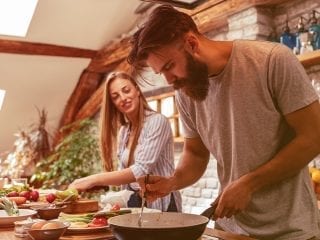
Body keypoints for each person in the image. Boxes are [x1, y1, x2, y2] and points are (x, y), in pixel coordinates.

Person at [127, 4, 320, 240]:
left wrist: (250, 184)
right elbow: (196, 155)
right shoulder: (185, 92)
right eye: (161, 73)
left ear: (192, 43)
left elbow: (313, 137)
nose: (169, 79)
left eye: (169, 66)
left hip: (289, 232)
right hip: (229, 230)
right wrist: (171, 182)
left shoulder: (272, 60)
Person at [69, 71, 181, 212]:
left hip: (162, 206)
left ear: (137, 90)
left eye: (126, 90)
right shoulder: (124, 131)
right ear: (113, 104)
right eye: (115, 97)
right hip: (136, 204)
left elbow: (140, 170)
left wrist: (92, 180)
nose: (123, 98)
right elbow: (126, 179)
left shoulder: (157, 121)